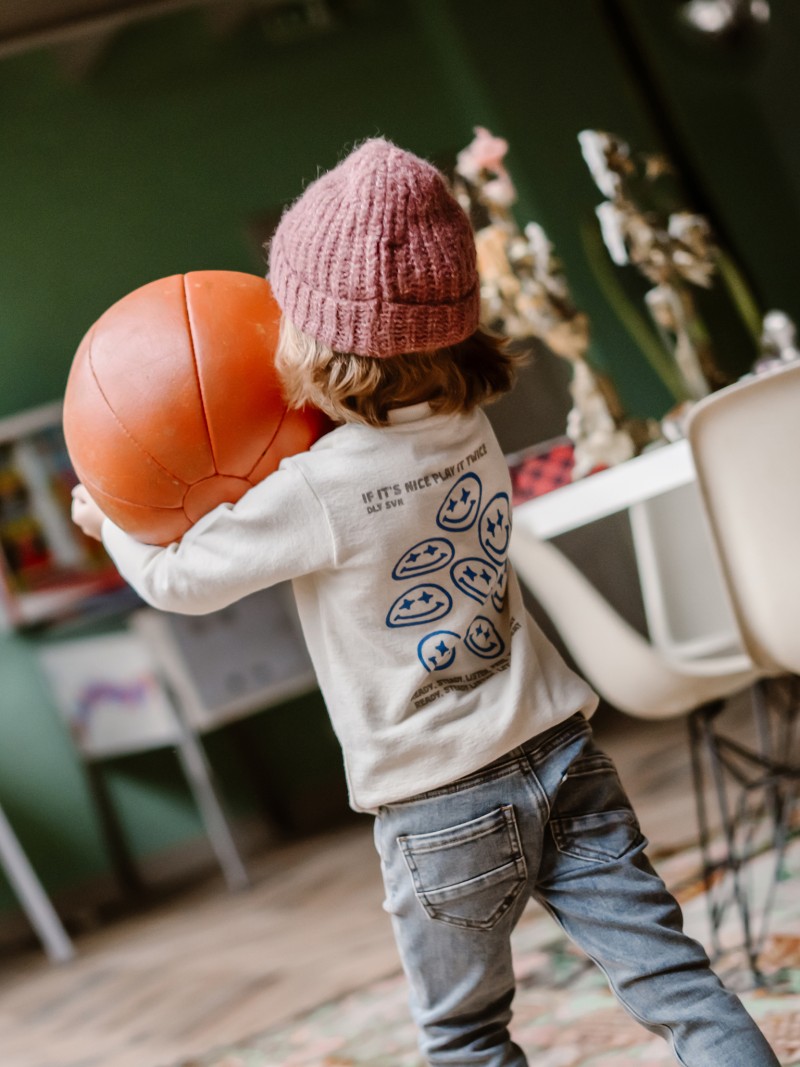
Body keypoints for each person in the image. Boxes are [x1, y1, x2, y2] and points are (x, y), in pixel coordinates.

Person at [71, 138, 779, 1067]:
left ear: (317, 339)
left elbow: (177, 580)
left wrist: (111, 520)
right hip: (563, 754)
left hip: (438, 804)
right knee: (676, 983)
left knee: (465, 1033)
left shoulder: (318, 491)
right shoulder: (467, 426)